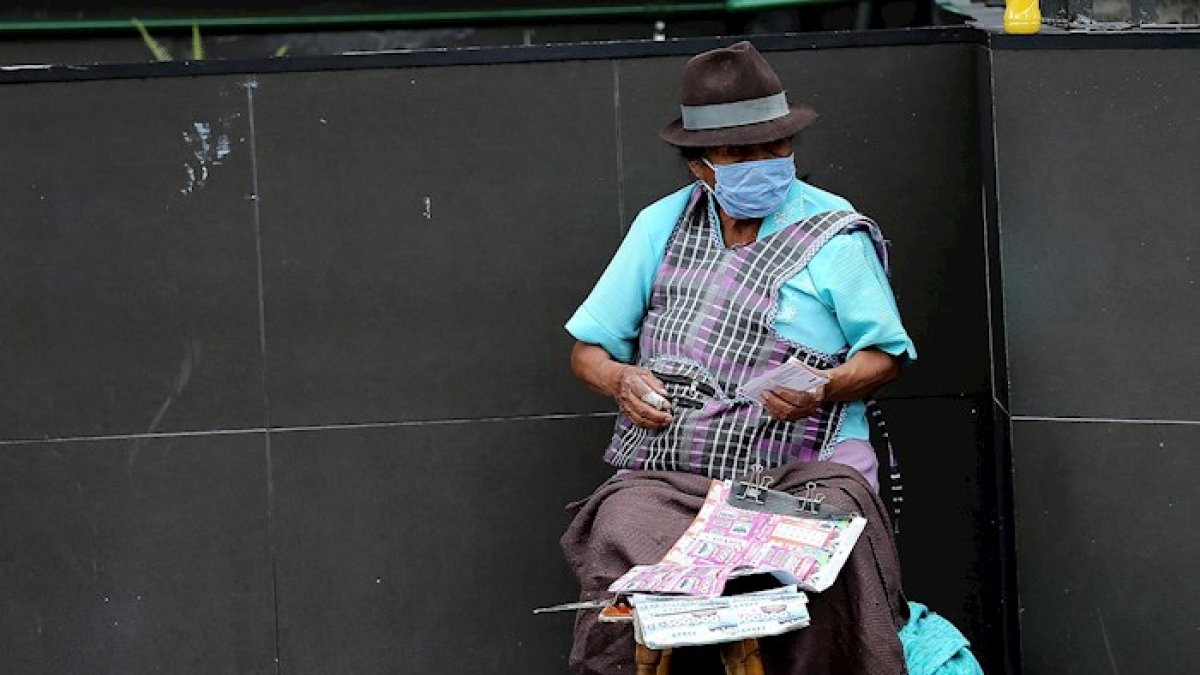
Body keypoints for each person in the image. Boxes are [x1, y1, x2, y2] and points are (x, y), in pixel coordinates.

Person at [560, 41, 917, 674]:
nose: (762, 164)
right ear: (698, 164)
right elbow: (589, 351)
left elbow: (885, 357)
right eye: (737, 154)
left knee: (829, 557)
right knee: (623, 533)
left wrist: (824, 386)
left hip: (803, 471)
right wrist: (620, 380)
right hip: (672, 474)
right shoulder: (660, 225)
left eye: (775, 148)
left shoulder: (834, 231)